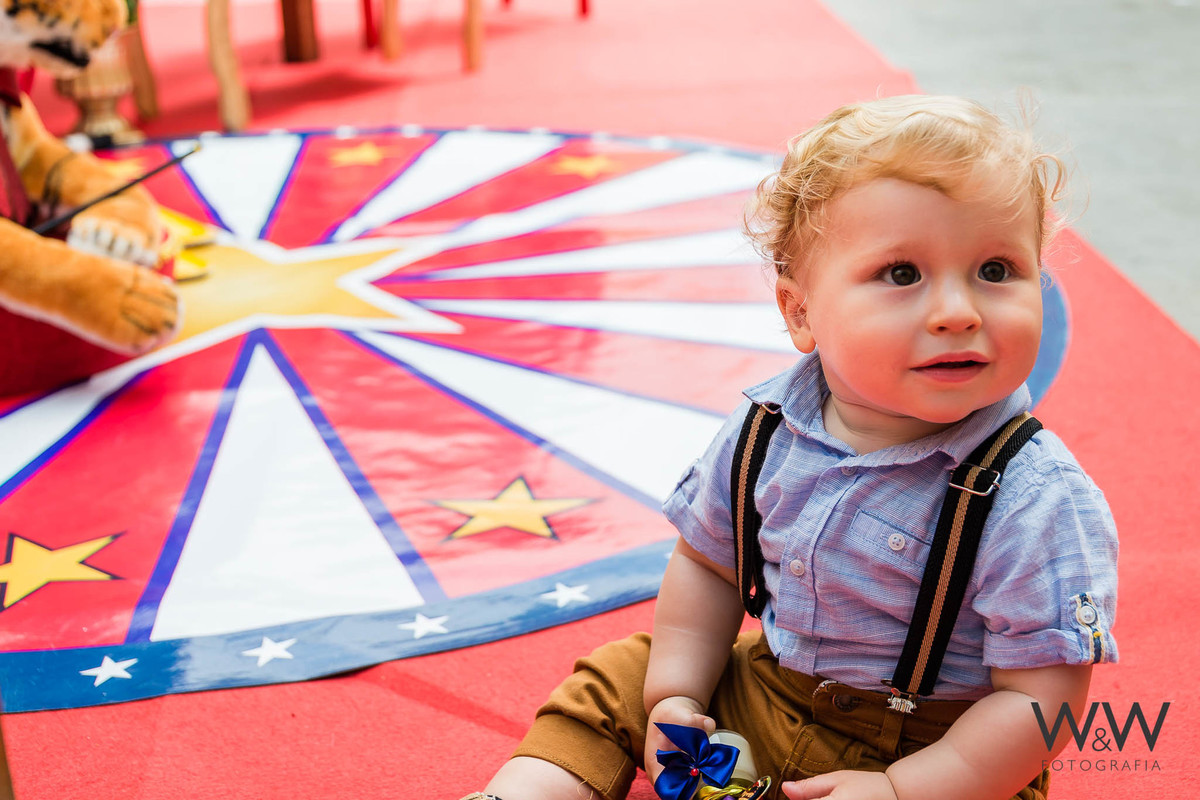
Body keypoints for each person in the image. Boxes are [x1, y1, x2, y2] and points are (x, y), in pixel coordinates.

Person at [460, 94, 1119, 800]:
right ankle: (531, 789)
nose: (958, 312)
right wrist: (675, 697)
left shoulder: (1035, 496)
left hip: (941, 747)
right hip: (772, 689)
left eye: (996, 271)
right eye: (902, 274)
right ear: (799, 311)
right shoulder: (767, 426)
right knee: (619, 676)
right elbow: (710, 565)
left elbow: (1042, 701)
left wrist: (905, 789)